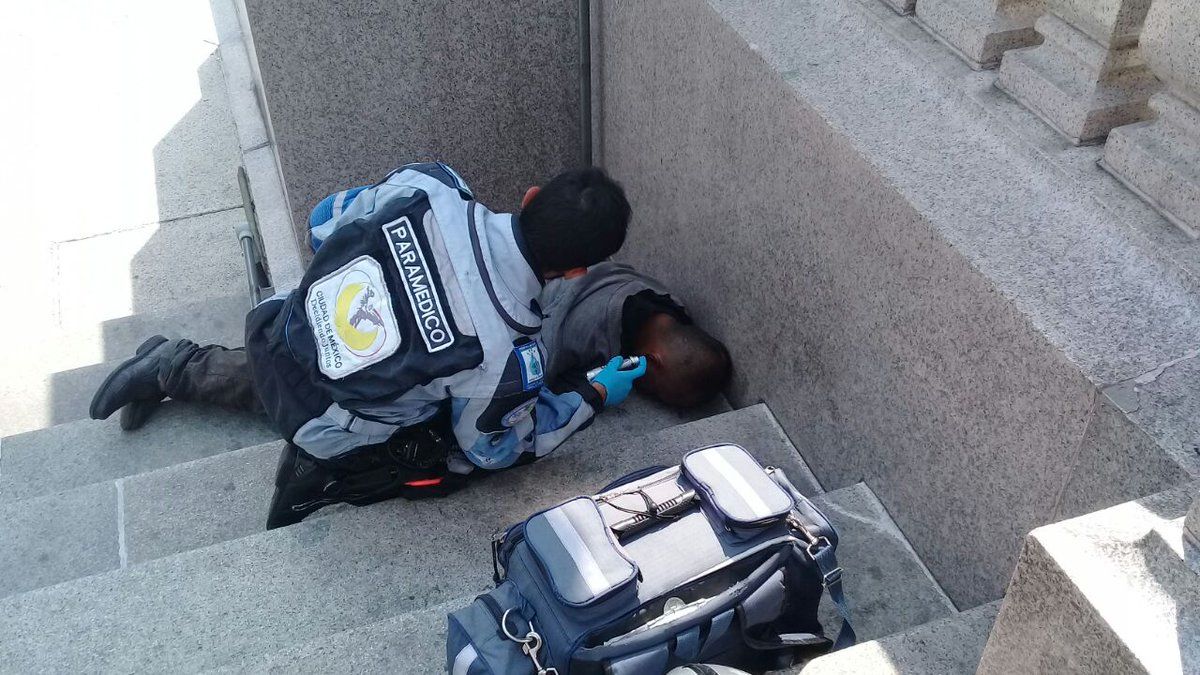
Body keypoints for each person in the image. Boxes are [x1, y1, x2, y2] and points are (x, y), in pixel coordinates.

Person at [89, 162, 646, 528]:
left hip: (277, 328)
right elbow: (490, 449)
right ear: (577, 272)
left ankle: (171, 367)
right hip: (322, 421)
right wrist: (592, 394)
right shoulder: (511, 355)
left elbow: (322, 224)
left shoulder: (430, 184)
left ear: (530, 197)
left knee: (340, 364)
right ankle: (321, 474)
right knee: (457, 454)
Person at [538, 261, 731, 409]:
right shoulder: (578, 332)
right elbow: (531, 393)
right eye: (656, 392)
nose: (648, 393)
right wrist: (595, 393)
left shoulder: (669, 306)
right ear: (652, 360)